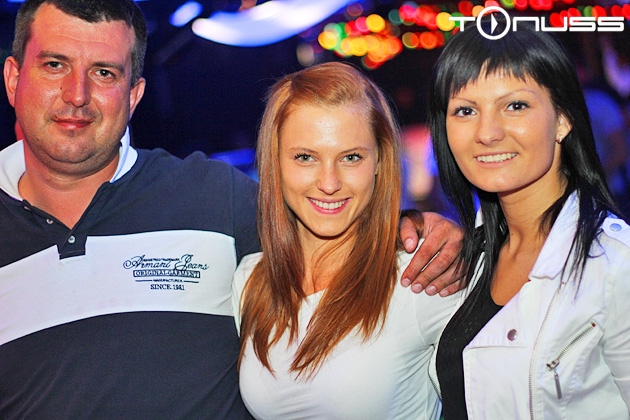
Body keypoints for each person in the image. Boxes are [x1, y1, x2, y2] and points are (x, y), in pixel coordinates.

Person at [0, 0, 462, 417]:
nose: (77, 94)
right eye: (55, 65)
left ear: (134, 94)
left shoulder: (211, 195)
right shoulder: (249, 280)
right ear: (14, 78)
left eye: (104, 72)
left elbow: (326, 217)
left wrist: (419, 228)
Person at [232, 61, 460, 419]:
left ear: (380, 161)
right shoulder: (250, 280)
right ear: (275, 161)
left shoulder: (420, 275)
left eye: (351, 157)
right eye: (305, 157)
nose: (329, 183)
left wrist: (472, 242)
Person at [427, 19, 630, 419]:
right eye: (465, 110)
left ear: (563, 119)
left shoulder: (616, 265)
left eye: (515, 106)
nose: (487, 133)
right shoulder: (462, 261)